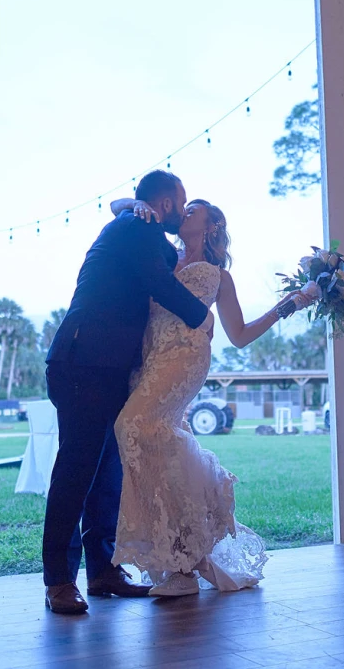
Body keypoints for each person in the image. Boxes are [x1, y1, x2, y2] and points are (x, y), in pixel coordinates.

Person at [110, 196, 318, 596]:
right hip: (149, 358)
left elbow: (239, 336)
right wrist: (133, 202)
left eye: (193, 211)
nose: (183, 213)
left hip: (185, 360)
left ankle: (184, 562)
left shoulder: (219, 276)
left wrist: (290, 304)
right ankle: (183, 560)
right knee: (159, 441)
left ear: (211, 227)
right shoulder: (161, 254)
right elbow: (116, 208)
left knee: (131, 426)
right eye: (183, 209)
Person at [41, 170, 213, 615]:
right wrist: (203, 319)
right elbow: (161, 284)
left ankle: (102, 572)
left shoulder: (138, 225)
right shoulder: (136, 227)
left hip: (113, 370)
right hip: (83, 362)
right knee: (76, 471)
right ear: (168, 203)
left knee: (106, 479)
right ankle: (59, 580)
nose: (185, 206)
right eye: (183, 199)